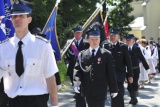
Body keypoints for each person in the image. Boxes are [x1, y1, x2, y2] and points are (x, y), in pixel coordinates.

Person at [0, 0, 58, 107]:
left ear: (29, 19)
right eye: (14, 17)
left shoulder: (43, 46)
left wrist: (54, 104)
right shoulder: (3, 48)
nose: (17, 19)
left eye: (21, 16)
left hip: (36, 101)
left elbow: (50, 77)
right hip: (12, 102)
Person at [73, 28, 118, 107]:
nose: (94, 41)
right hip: (88, 89)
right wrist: (77, 84)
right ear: (88, 40)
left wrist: (114, 89)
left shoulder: (106, 54)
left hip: (101, 89)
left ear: (100, 39)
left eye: (96, 39)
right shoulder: (82, 54)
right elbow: (77, 70)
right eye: (92, 39)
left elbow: (111, 73)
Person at [102, 28, 133, 107]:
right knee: (113, 95)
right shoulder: (106, 46)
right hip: (109, 75)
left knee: (119, 95)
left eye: (114, 35)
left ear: (118, 36)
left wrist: (130, 75)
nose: (112, 37)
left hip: (119, 75)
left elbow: (128, 62)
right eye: (111, 35)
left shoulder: (123, 46)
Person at [65, 25, 89, 107]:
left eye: (79, 33)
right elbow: (66, 55)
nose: (78, 34)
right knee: (76, 89)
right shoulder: (70, 43)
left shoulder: (86, 43)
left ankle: (81, 104)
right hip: (72, 70)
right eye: (76, 33)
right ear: (74, 34)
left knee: (81, 89)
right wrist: (67, 64)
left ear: (82, 33)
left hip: (83, 70)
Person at [126, 34, 149, 105]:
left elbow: (142, 58)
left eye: (130, 40)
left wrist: (146, 67)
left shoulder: (137, 48)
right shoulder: (124, 48)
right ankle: (133, 97)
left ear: (133, 41)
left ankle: (134, 98)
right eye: (127, 40)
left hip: (135, 69)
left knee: (135, 84)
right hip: (127, 70)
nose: (128, 41)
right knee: (129, 85)